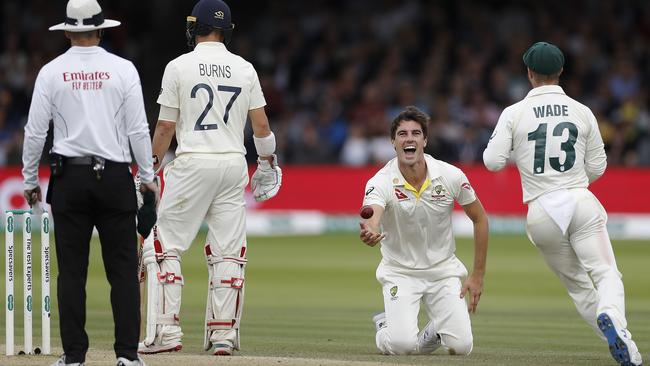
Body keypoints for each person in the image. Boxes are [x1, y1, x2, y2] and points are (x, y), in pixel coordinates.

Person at [483, 41, 643, 366]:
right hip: (579, 200)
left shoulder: (514, 113)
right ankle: (612, 317)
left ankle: (629, 349)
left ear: (529, 73)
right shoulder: (582, 111)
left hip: (541, 211)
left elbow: (492, 162)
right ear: (560, 72)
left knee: (580, 289)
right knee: (606, 274)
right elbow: (598, 166)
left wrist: (521, 151)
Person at [137, 0, 282, 357]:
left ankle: (166, 332)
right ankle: (223, 336)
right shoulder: (244, 67)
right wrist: (266, 164)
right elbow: (261, 126)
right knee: (229, 253)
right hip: (234, 165)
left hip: (193, 162)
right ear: (227, 30)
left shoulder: (178, 66)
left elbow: (166, 127)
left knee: (162, 245)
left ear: (193, 27)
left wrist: (148, 170)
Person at [21, 0, 158, 365]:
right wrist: (148, 178)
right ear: (101, 29)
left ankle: (74, 357)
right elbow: (138, 130)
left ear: (67, 31)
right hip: (114, 176)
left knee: (71, 273)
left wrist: (30, 179)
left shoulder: (51, 71)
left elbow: (35, 132)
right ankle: (128, 356)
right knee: (123, 270)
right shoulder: (123, 69)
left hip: (69, 177)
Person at [360, 106, 488, 356]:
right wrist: (371, 230)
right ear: (393, 142)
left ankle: (436, 327)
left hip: (443, 271)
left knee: (461, 347)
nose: (409, 138)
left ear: (425, 140)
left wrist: (478, 275)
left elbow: (480, 219)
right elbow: (372, 214)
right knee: (402, 346)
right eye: (402, 134)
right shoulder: (380, 181)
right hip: (400, 272)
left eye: (416, 133)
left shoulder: (450, 175)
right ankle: (386, 326)